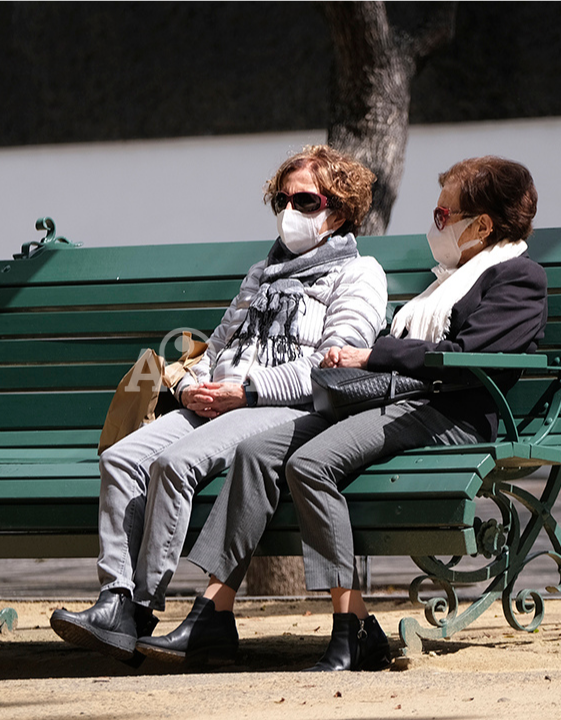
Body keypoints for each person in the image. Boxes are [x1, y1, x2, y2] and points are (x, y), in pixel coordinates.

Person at [139, 156, 547, 671]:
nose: (435, 224)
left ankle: (352, 627)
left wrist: (371, 356)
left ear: (483, 225)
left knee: (311, 465)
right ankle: (214, 613)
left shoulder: (519, 278)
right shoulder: (451, 279)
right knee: (256, 450)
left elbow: (467, 354)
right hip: (395, 399)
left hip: (448, 414)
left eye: (444, 215)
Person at [49, 145, 388, 663]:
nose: (289, 211)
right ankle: (114, 599)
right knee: (120, 458)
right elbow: (217, 349)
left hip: (281, 408)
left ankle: (140, 608)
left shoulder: (359, 274)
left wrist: (248, 392)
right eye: (281, 200)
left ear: (339, 211)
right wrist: (190, 387)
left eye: (304, 201)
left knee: (173, 464)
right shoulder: (261, 273)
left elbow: (332, 366)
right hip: (216, 401)